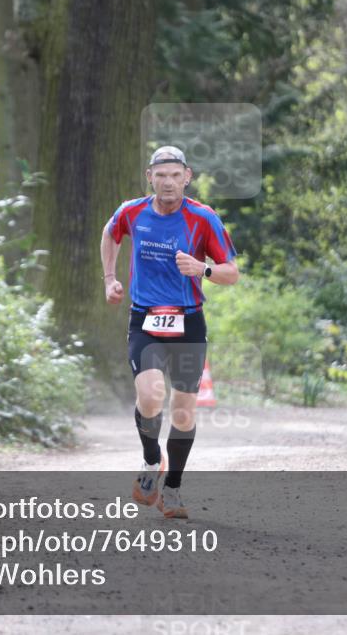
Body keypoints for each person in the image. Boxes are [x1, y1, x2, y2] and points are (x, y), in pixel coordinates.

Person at [100, 145, 239, 518]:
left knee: (182, 414)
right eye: (161, 175)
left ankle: (172, 490)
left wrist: (202, 269)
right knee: (149, 396)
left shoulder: (203, 218)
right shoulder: (132, 211)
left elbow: (231, 272)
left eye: (175, 175)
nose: (168, 182)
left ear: (187, 177)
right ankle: (150, 463)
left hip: (188, 321)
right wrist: (110, 278)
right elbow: (110, 233)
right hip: (145, 319)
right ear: (150, 177)